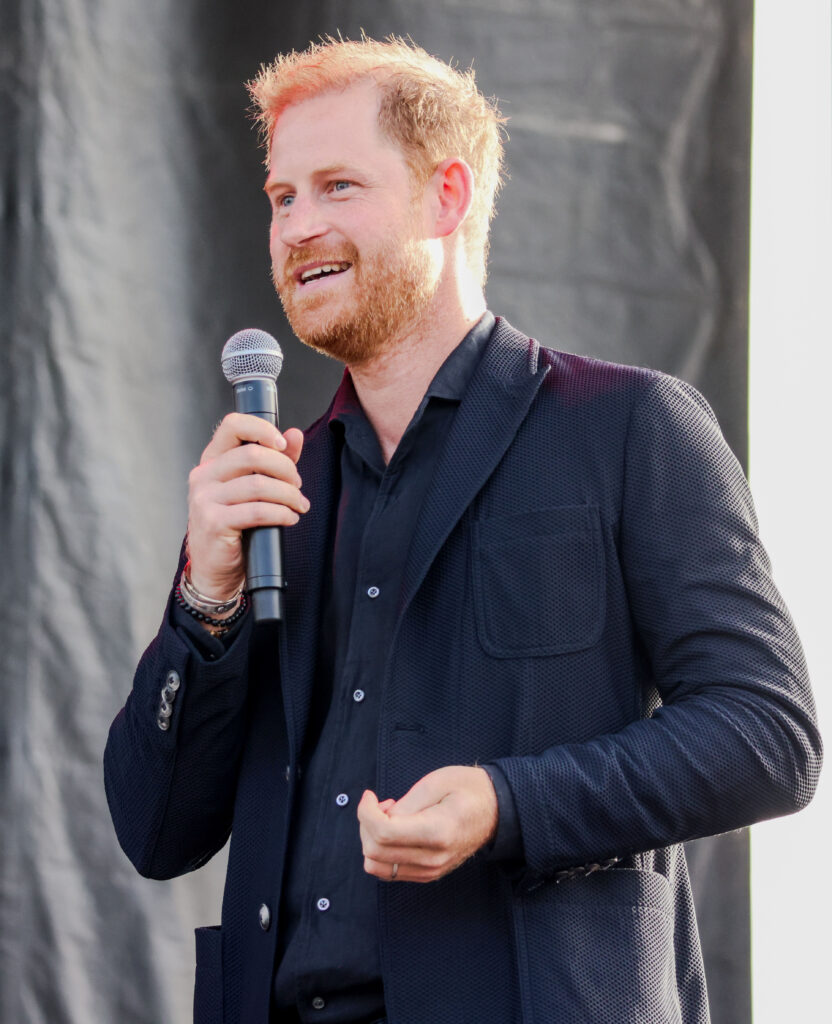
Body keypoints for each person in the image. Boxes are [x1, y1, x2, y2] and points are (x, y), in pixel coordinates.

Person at [104, 36, 821, 1024]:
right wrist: (205, 602)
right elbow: (155, 831)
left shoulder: (623, 428)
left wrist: (506, 802)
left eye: (337, 186)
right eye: (281, 197)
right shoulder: (275, 491)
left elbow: (766, 734)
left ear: (446, 196)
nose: (297, 226)